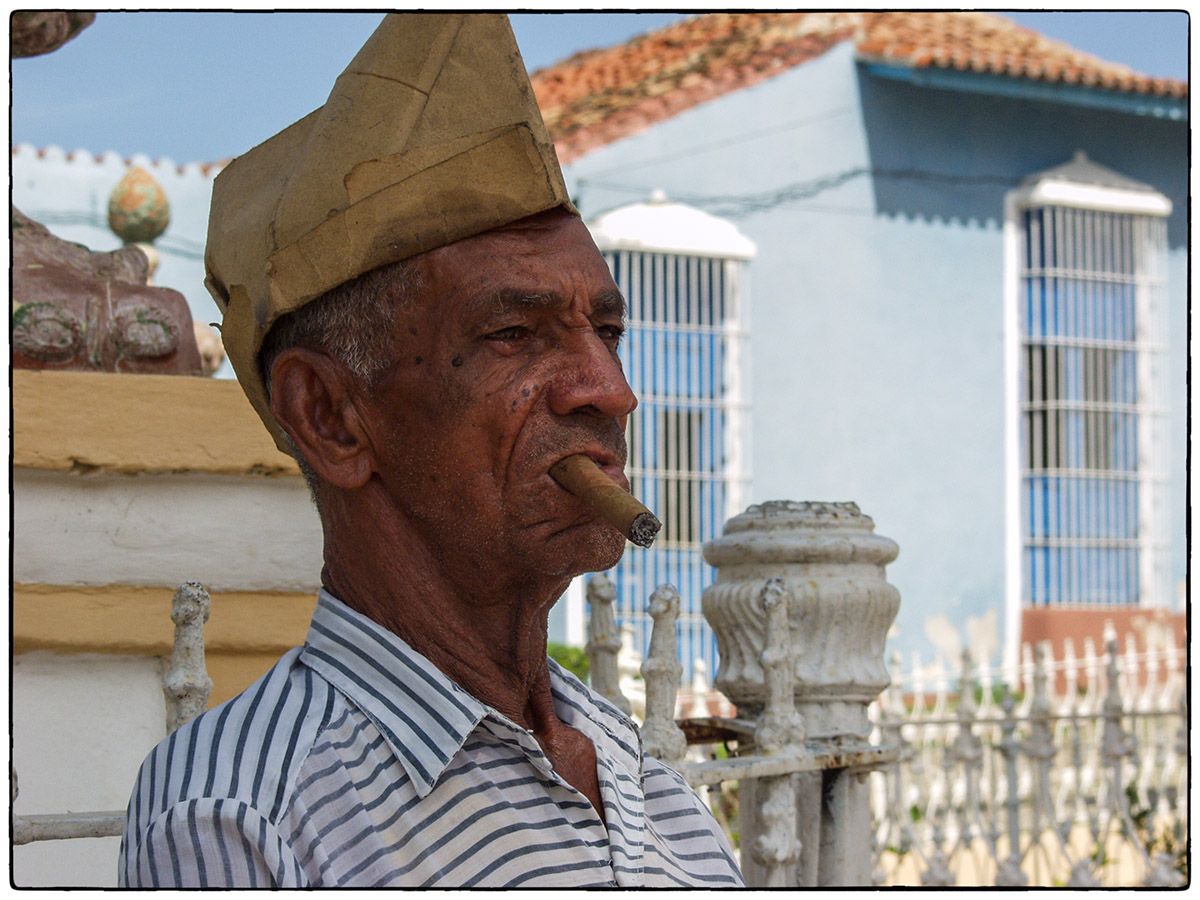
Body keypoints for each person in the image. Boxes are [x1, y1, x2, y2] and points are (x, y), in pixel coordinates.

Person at [118, 13, 742, 888]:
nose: (610, 390)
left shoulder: (642, 776)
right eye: (514, 334)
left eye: (607, 329)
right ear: (331, 416)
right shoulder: (245, 813)